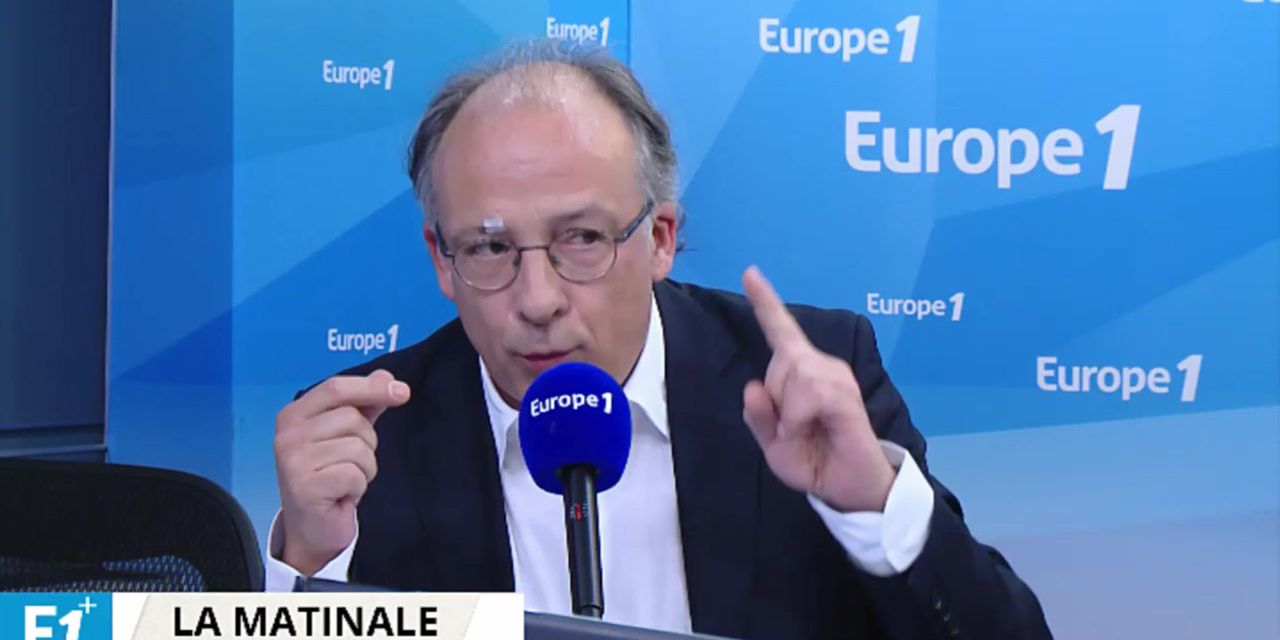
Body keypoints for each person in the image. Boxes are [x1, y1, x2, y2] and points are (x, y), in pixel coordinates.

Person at [267, 39, 1052, 639]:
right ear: (442, 259)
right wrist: (309, 565)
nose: (537, 301)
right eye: (490, 247)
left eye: (582, 238)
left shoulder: (804, 381)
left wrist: (873, 505)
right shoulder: (371, 442)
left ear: (662, 238)